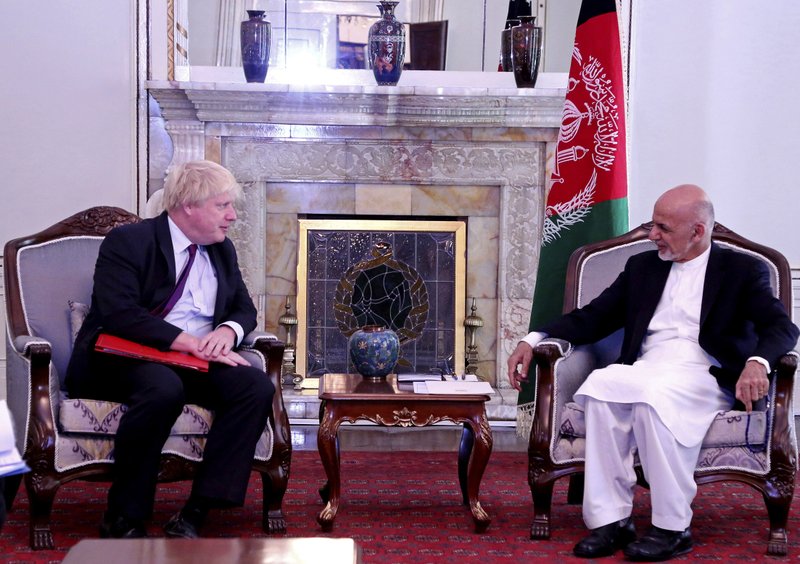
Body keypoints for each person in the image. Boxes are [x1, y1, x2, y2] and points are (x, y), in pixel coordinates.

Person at [507, 184, 798, 561]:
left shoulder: (742, 269)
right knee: (602, 386)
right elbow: (594, 316)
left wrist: (757, 362)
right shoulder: (642, 267)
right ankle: (612, 521)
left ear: (697, 231)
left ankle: (672, 528)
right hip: (648, 369)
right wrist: (533, 338)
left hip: (704, 374)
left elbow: (782, 328)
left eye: (663, 227)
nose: (652, 234)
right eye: (652, 225)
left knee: (649, 399)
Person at [66, 160, 274, 539]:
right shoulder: (129, 242)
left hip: (192, 362)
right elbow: (119, 314)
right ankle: (124, 516)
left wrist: (227, 331)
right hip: (123, 356)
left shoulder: (221, 250)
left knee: (255, 386)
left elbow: (244, 308)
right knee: (163, 387)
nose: (232, 217)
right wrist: (192, 343)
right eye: (222, 206)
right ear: (189, 205)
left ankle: (197, 511)